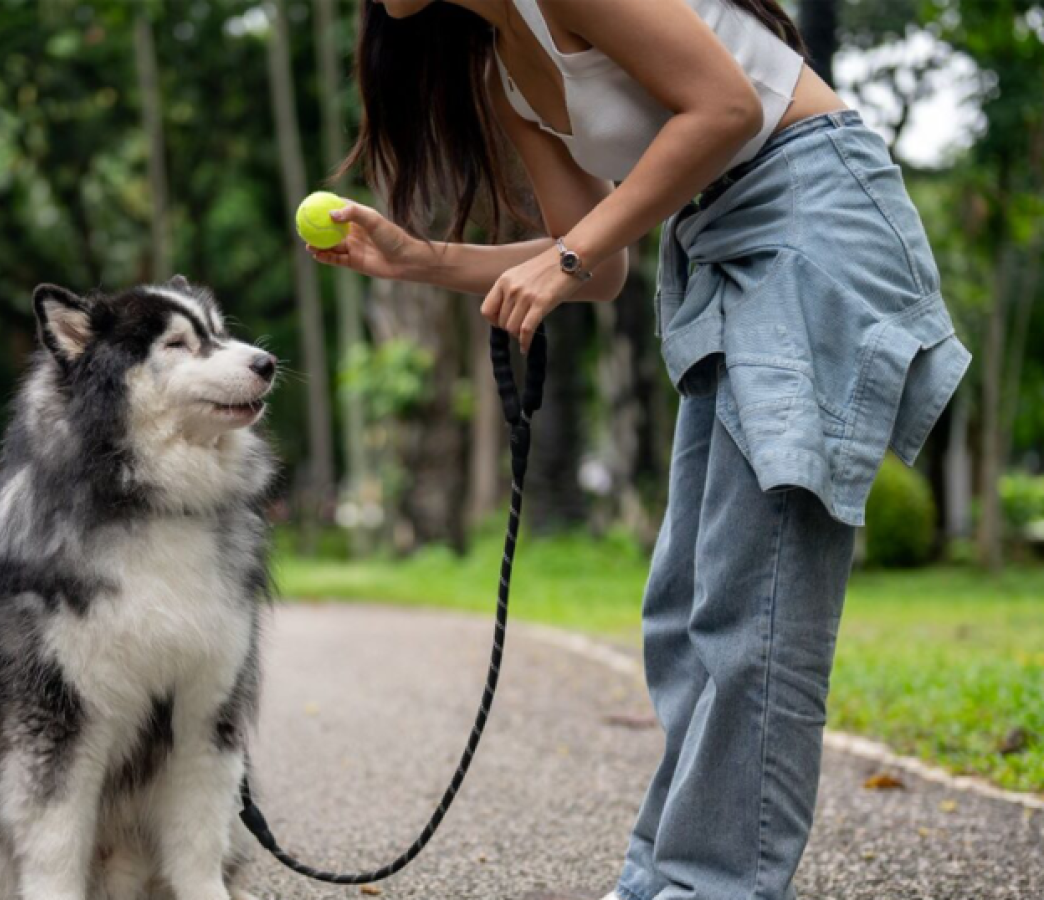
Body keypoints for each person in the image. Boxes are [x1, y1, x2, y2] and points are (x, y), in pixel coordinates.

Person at [307, 1, 972, 898]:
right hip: (715, 243)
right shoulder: (501, 65)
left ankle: (710, 886)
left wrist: (568, 258)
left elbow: (726, 109)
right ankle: (661, 878)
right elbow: (598, 260)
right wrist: (421, 259)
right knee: (683, 610)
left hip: (811, 213)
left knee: (752, 607)